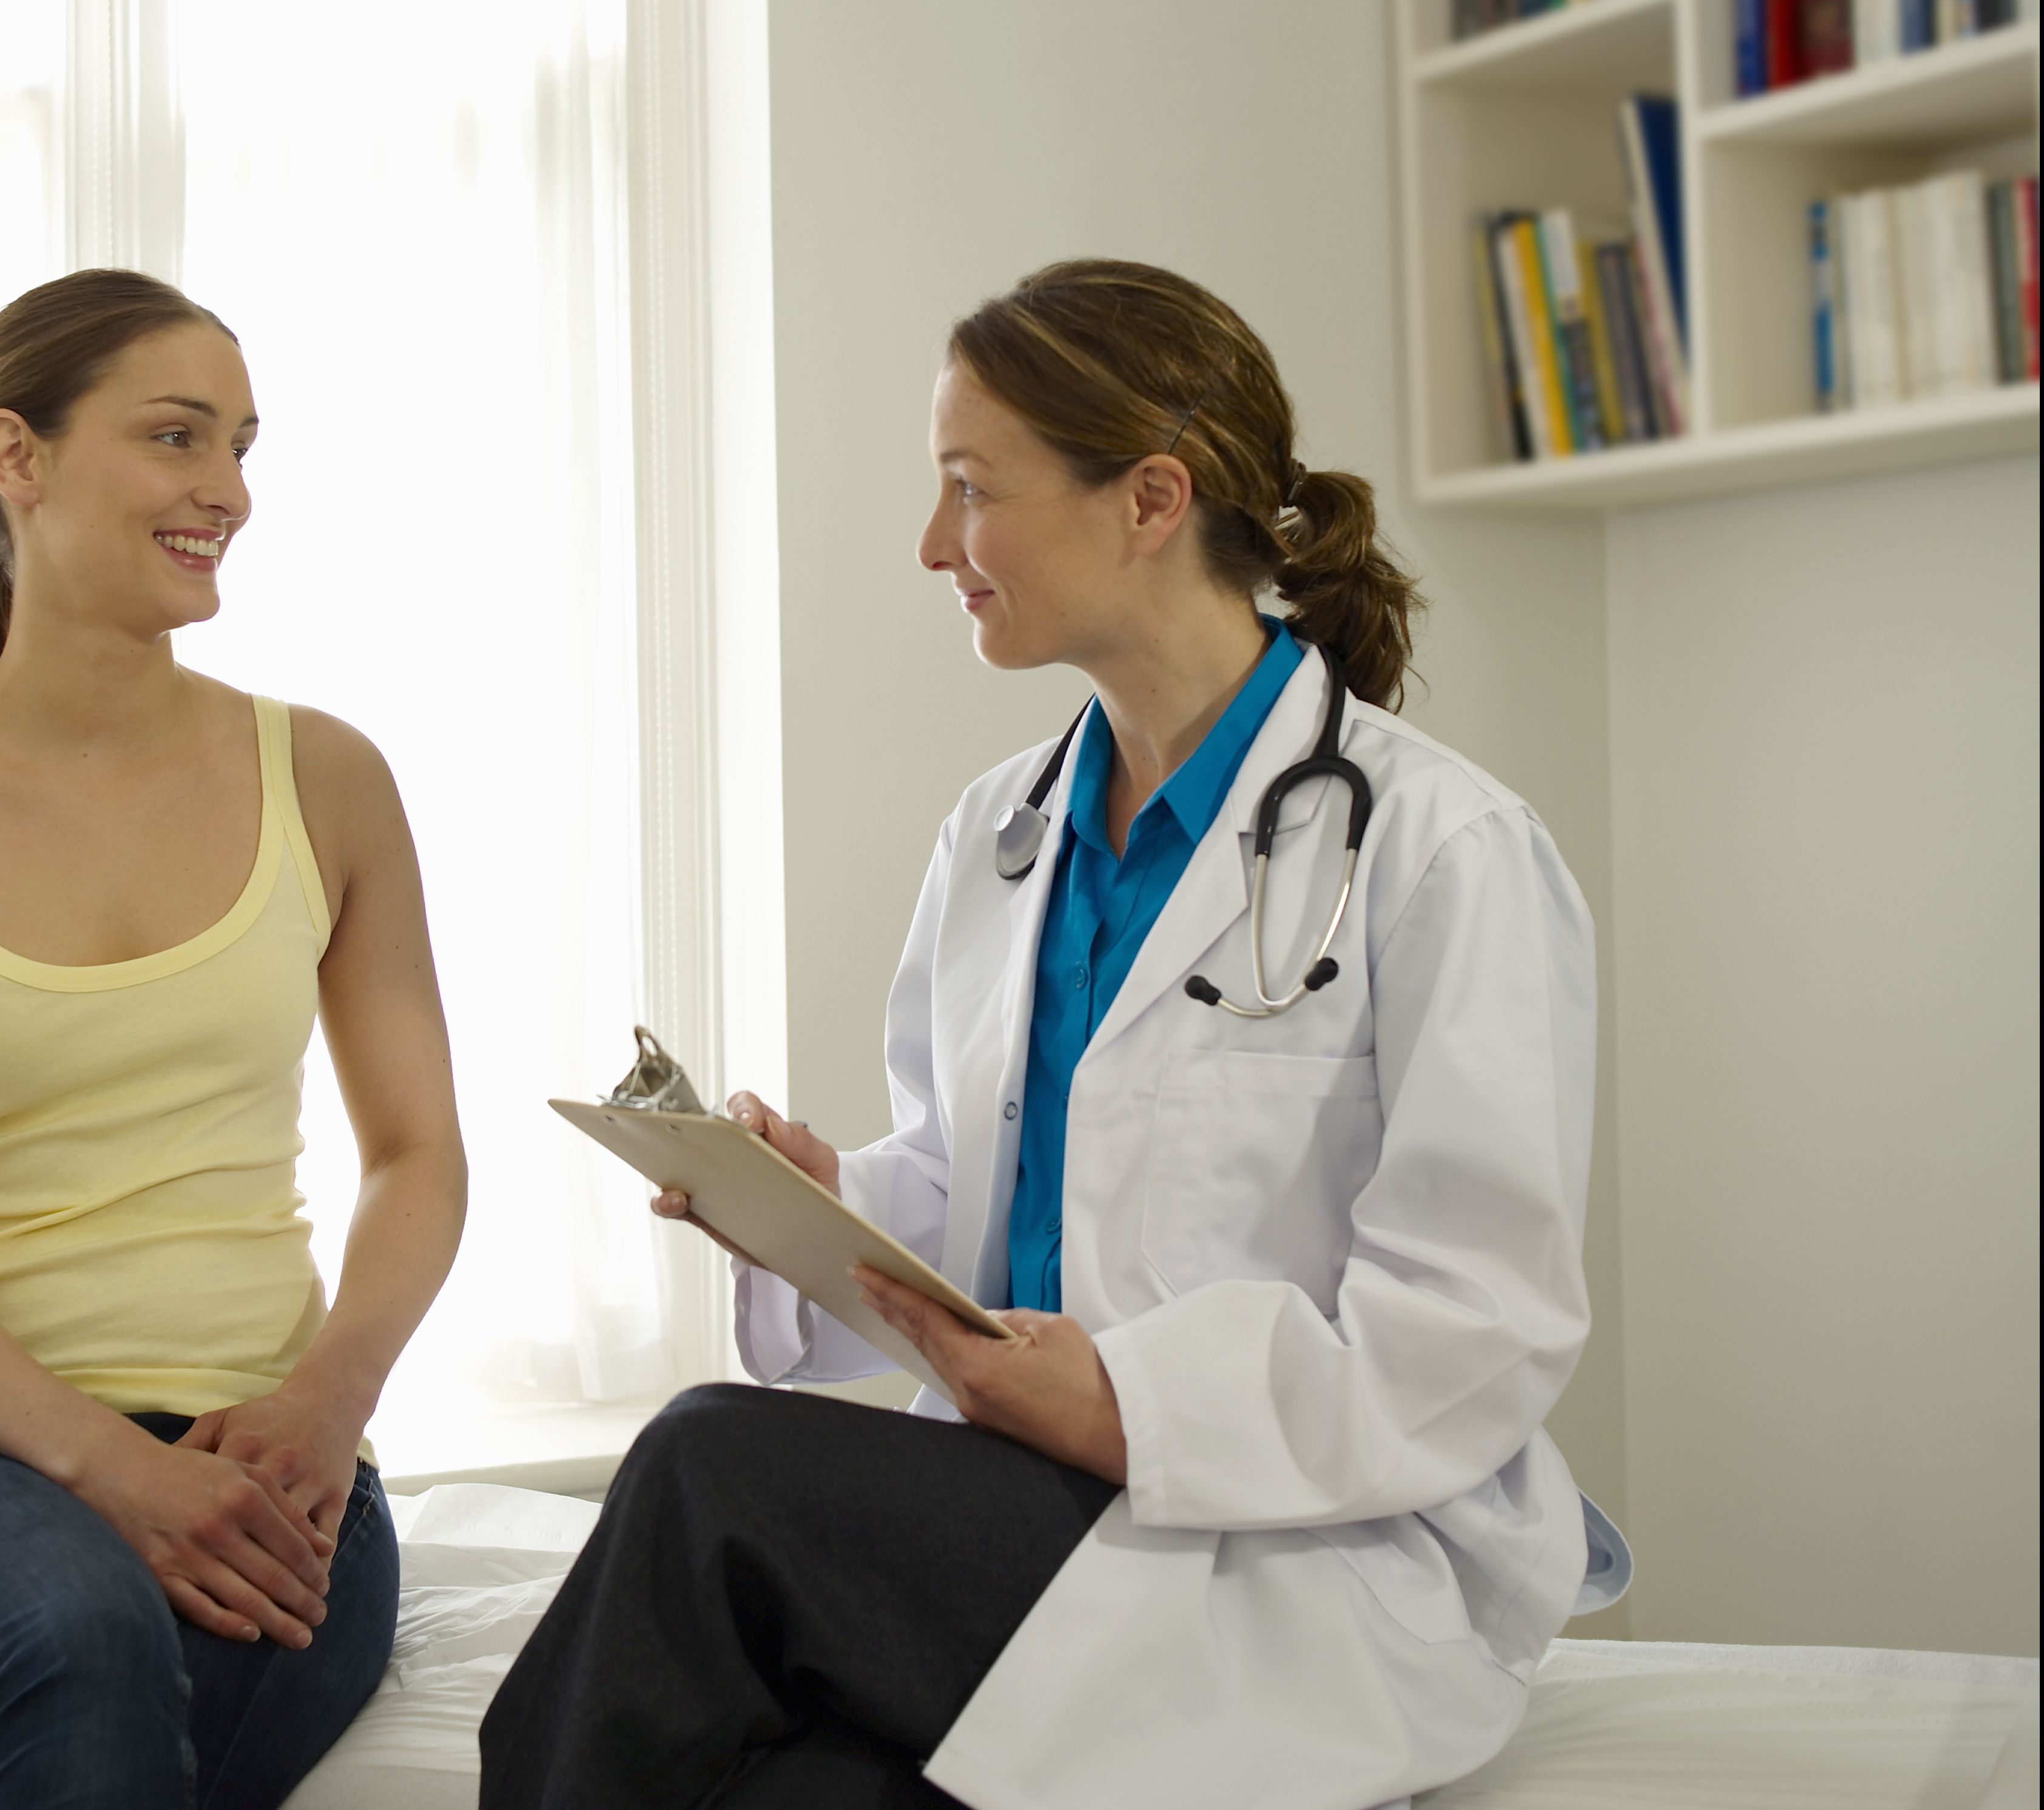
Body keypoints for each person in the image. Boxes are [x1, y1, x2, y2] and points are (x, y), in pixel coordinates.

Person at [479, 259, 1623, 1810]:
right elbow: (983, 1198)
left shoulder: (1441, 851)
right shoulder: (1001, 832)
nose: (931, 543)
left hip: (1296, 1551)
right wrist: (824, 1206)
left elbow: (1474, 1326)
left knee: (707, 1464)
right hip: (1020, 1511)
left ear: (1150, 498)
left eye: (970, 488)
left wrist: (1126, 1402)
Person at [0, 269, 468, 1810]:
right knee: (84, 1634)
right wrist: (117, 1468)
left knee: (173, 1687)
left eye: (242, 448)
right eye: (175, 437)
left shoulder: (328, 780)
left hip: (271, 1454)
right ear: (16, 455)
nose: (228, 493)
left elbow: (417, 1153)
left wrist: (327, 1403)